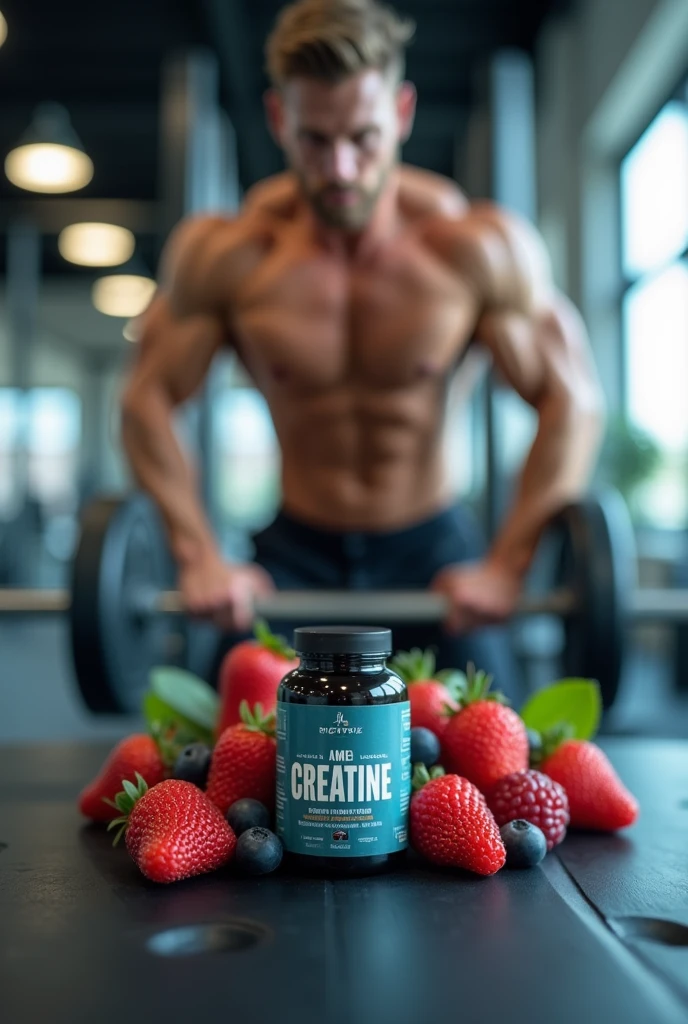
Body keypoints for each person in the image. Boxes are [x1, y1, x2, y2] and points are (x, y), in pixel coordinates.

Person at [120, 0, 605, 699]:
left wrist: (507, 564)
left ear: (402, 112)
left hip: (435, 553)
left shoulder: (473, 248)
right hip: (293, 555)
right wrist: (199, 555)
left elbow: (574, 400)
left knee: (495, 766)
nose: (341, 168)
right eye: (316, 140)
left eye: (364, 137)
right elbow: (145, 398)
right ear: (279, 119)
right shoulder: (230, 255)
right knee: (220, 764)